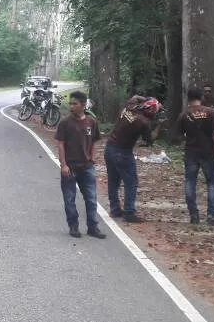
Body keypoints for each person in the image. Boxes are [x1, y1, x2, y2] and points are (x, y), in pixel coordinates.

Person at [55, 91, 106, 239]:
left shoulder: (91, 122)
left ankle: (93, 227)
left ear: (83, 105)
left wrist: (92, 158)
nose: (71, 106)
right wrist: (63, 165)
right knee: (69, 199)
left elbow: (95, 141)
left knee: (91, 198)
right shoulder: (65, 123)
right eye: (70, 103)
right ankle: (73, 226)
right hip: (70, 167)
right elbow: (60, 145)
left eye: (75, 104)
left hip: (87, 167)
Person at [104, 96, 160, 222]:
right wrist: (159, 126)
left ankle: (115, 209)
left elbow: (134, 97)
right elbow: (149, 140)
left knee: (113, 181)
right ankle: (129, 212)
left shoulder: (129, 107)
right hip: (123, 152)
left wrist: (146, 98)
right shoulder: (143, 122)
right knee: (131, 182)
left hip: (109, 147)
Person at [178, 88, 214, 226]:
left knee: (190, 182)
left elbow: (180, 135)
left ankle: (193, 214)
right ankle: (212, 214)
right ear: (201, 97)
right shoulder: (210, 112)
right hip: (208, 153)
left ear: (188, 98)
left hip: (191, 153)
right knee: (212, 182)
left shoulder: (184, 114)